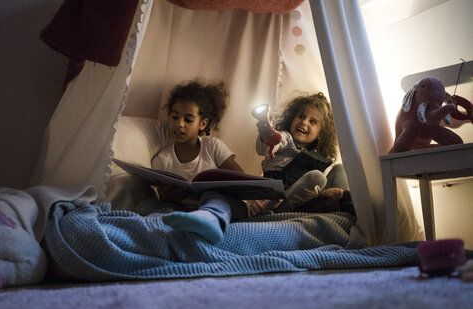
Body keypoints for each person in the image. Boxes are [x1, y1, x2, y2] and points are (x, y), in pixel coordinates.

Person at [147, 80, 245, 244]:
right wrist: (168, 196)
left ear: (202, 124)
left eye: (188, 119)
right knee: (146, 206)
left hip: (215, 205)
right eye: (175, 117)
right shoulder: (162, 159)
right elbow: (162, 194)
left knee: (218, 199)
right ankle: (169, 227)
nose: (180, 124)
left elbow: (240, 178)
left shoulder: (212, 146)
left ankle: (209, 220)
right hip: (181, 208)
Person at [252, 92, 351, 214]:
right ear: (292, 118)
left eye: (313, 121)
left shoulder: (319, 159)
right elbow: (267, 146)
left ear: (321, 133)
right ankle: (276, 211)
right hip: (278, 201)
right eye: (301, 116)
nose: (304, 122)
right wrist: (267, 134)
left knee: (339, 169)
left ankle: (346, 209)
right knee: (316, 177)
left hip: (305, 206)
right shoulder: (286, 140)